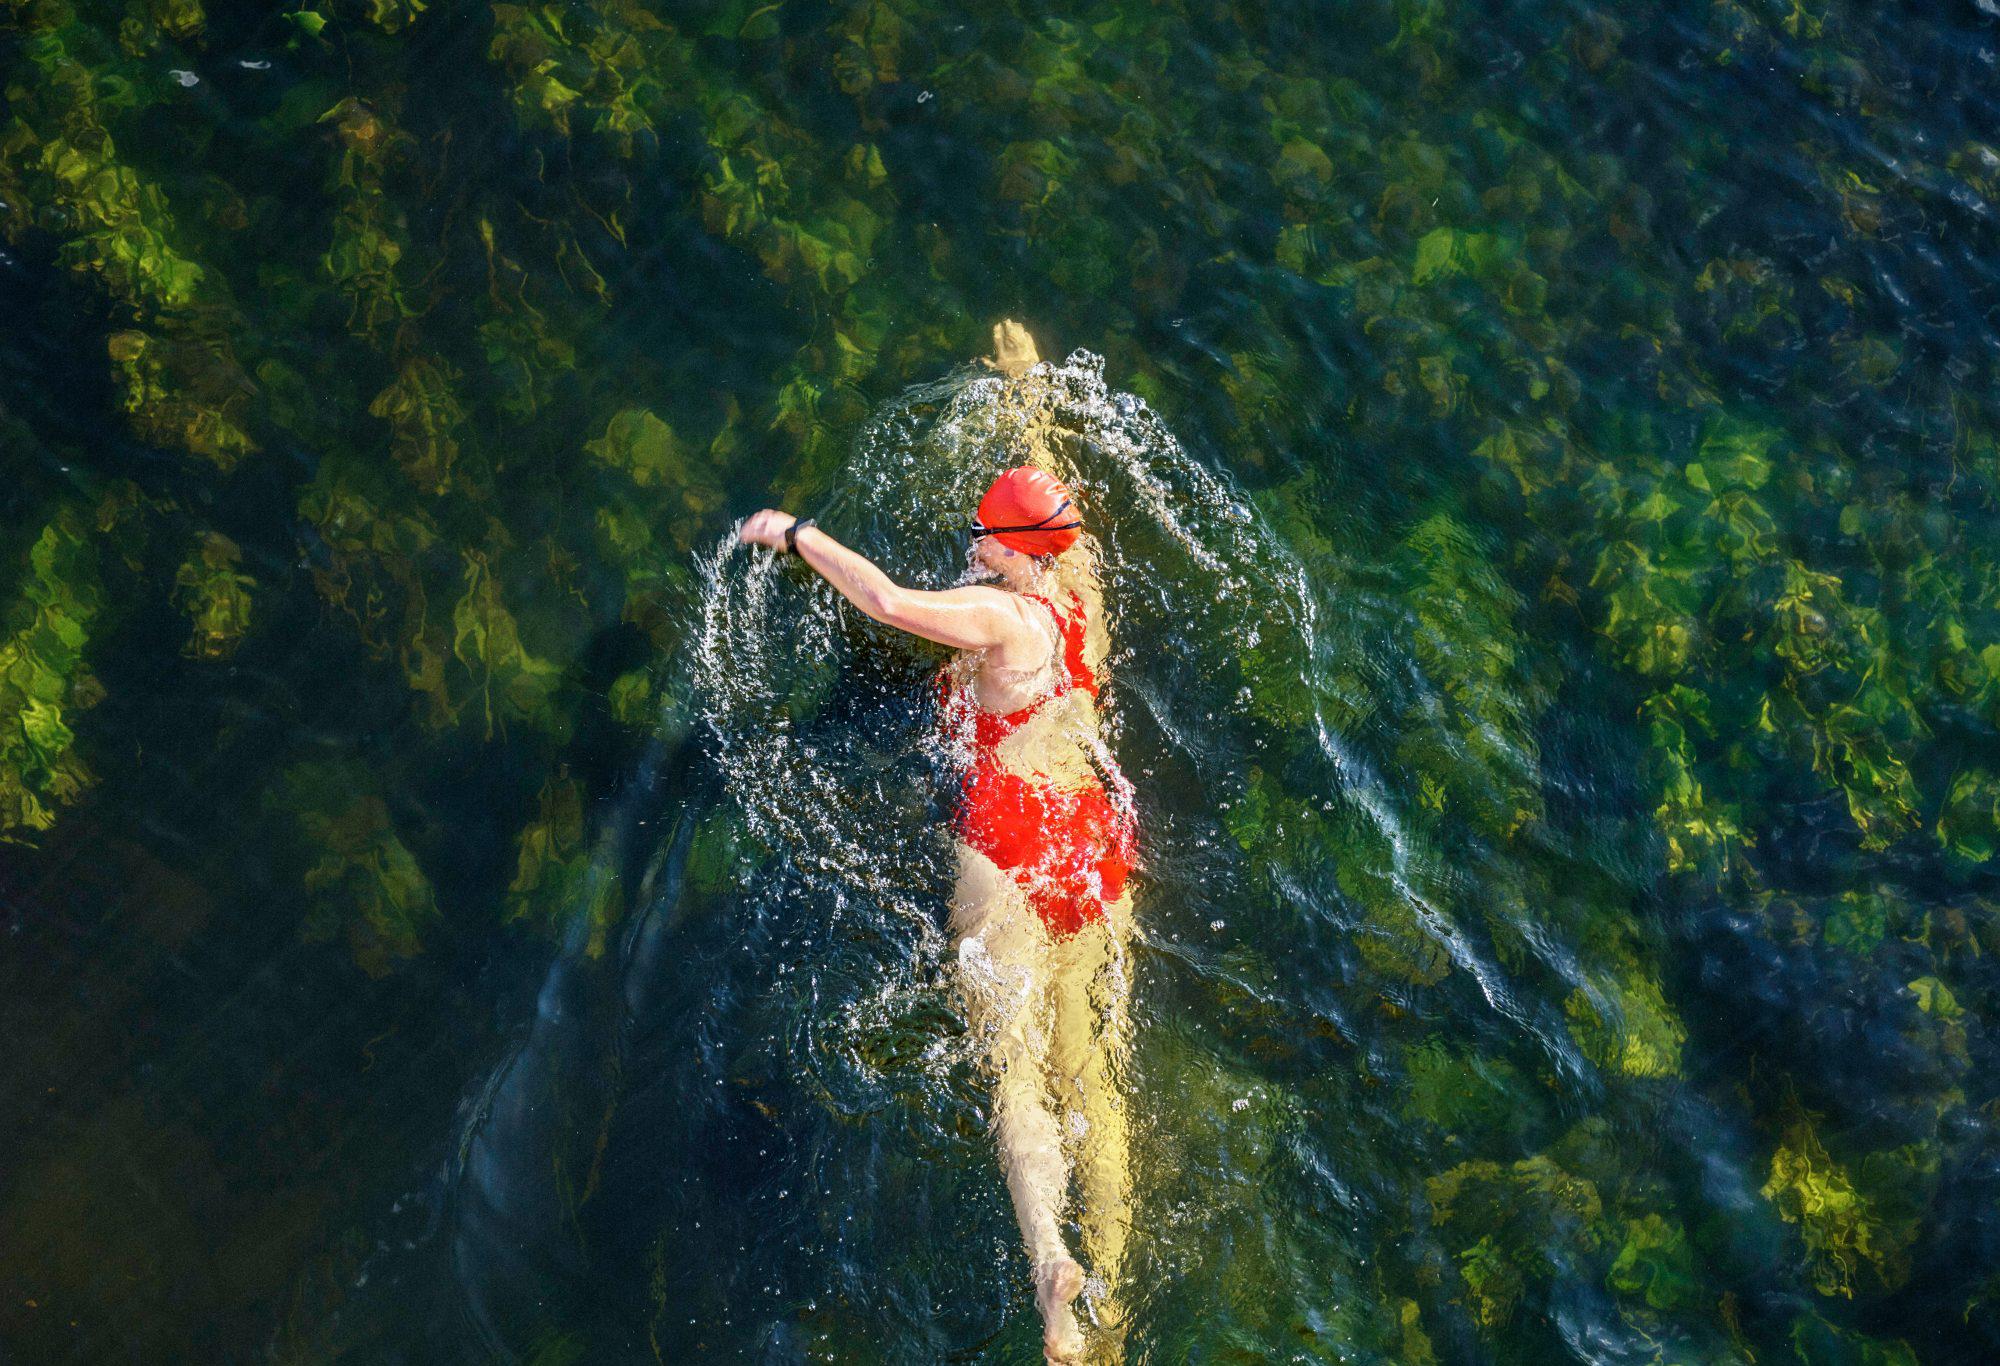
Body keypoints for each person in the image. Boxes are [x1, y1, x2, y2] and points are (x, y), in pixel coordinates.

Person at [737, 322, 1137, 1364]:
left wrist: (793, 535)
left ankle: (1049, 1258)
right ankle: (1119, 1290)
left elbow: (884, 601)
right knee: (1091, 1069)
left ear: (1013, 553)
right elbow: (1048, 481)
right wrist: (1023, 383)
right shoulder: (1076, 582)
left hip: (1005, 842)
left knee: (1015, 1079)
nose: (975, 544)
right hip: (1092, 841)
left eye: (985, 536)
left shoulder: (995, 619)